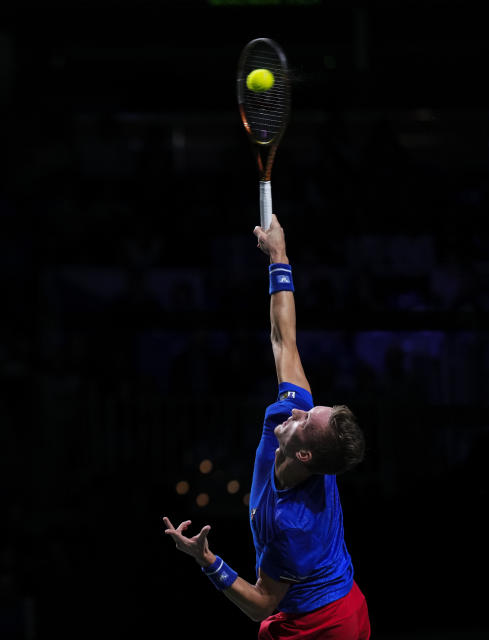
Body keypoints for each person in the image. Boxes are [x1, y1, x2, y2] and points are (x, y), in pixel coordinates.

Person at [163, 214, 370, 639]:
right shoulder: (290, 419)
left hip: (325, 626)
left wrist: (207, 560)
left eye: (305, 421)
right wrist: (279, 256)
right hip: (329, 605)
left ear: (305, 455)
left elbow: (261, 605)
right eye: (309, 410)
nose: (297, 412)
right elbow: (283, 338)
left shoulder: (292, 525)